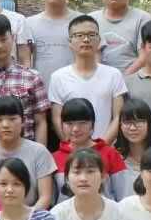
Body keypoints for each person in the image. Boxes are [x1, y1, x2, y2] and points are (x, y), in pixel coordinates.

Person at [0, 13, 49, 146]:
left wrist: (40, 154)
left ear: (13, 38)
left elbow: (40, 122)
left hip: (26, 154)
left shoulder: (32, 78)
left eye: (3, 39)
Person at [47, 15, 127, 145]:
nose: (86, 39)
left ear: (99, 40)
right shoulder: (58, 77)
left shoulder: (114, 74)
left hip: (106, 149)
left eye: (91, 35)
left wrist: (100, 147)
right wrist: (72, 146)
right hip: (72, 151)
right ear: (70, 42)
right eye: (79, 35)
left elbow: (118, 116)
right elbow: (57, 119)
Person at [0, 96, 56, 210]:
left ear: (23, 121)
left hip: (32, 215)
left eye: (12, 119)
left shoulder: (39, 152)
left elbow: (45, 197)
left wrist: (27, 218)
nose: (5, 125)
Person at [52, 98, 130, 202]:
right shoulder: (54, 158)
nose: (75, 129)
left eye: (82, 123)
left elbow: (124, 197)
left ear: (92, 124)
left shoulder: (110, 154)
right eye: (69, 123)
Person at [90, 0, 150, 74]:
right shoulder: (90, 20)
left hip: (133, 80)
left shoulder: (143, 19)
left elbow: (145, 56)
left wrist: (121, 80)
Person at [27, 0, 76, 85]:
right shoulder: (28, 24)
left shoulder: (82, 22)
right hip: (40, 92)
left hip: (75, 91)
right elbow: (24, 62)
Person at [114, 99, 151, 192]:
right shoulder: (113, 157)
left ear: (149, 124)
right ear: (120, 125)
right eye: (127, 122)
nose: (132, 128)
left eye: (139, 122)